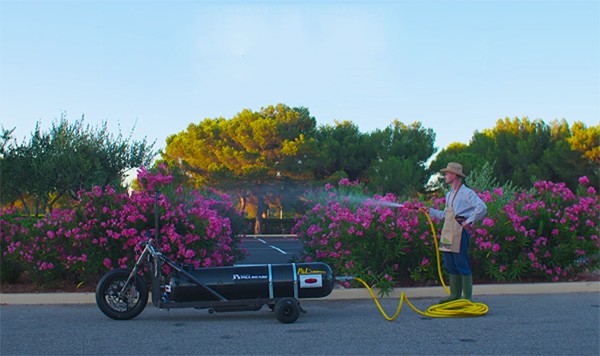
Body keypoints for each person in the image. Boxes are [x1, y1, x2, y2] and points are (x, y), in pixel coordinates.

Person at [428, 162, 487, 303]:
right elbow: (444, 215)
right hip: (448, 232)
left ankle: (466, 298)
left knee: (462, 263)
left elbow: (482, 207)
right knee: (449, 263)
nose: (445, 176)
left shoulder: (466, 193)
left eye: (447, 174)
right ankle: (454, 294)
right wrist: (428, 210)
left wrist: (469, 221)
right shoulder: (449, 195)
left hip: (459, 232)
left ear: (454, 175)